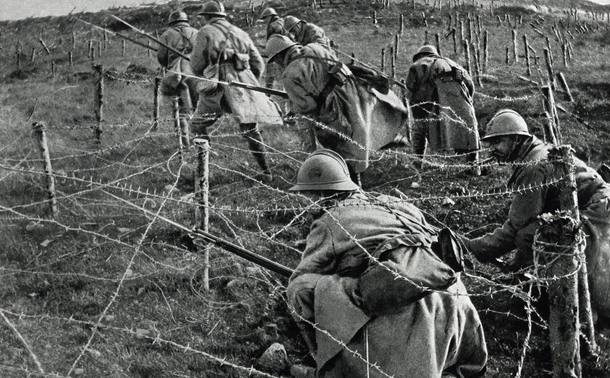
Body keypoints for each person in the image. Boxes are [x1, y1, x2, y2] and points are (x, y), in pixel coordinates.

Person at [286, 149, 488, 378]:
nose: (303, 203)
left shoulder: (327, 222)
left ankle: (329, 367)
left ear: (321, 194)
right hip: (452, 301)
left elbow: (302, 277)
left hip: (408, 304)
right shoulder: (392, 202)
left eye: (306, 195)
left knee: (299, 290)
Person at [461, 109, 610, 320]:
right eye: (490, 144)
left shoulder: (532, 166)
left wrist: (473, 247)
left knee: (534, 238)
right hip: (590, 204)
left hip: (595, 209)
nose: (492, 150)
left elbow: (515, 229)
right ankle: (545, 289)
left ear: (515, 139)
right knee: (534, 234)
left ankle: (571, 311)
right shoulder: (533, 153)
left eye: (498, 143)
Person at [265, 34, 409, 182]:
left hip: (333, 107)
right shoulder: (315, 48)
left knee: (343, 146)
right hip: (352, 91)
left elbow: (308, 106)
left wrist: (293, 106)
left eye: (276, 60)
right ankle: (390, 139)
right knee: (364, 127)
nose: (277, 64)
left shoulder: (289, 75)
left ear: (280, 56)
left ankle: (353, 184)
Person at [189, 1, 283, 175]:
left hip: (218, 87)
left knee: (197, 124)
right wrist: (248, 80)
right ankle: (266, 171)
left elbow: (196, 65)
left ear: (208, 17)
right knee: (251, 130)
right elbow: (258, 64)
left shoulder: (205, 32)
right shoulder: (241, 33)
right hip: (242, 86)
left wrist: (207, 72)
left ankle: (204, 170)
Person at [406, 45, 480, 169]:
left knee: (420, 127)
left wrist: (416, 106)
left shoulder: (418, 64)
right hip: (459, 97)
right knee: (469, 129)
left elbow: (410, 86)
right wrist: (466, 102)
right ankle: (473, 166)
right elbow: (470, 85)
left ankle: (417, 164)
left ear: (420, 56)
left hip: (432, 99)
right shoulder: (452, 63)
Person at [157, 10, 199, 135]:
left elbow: (161, 57)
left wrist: (170, 62)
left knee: (181, 108)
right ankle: (199, 139)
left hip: (178, 73)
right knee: (198, 108)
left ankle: (184, 144)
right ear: (185, 21)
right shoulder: (196, 32)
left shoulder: (167, 34)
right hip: (197, 73)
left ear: (172, 22)